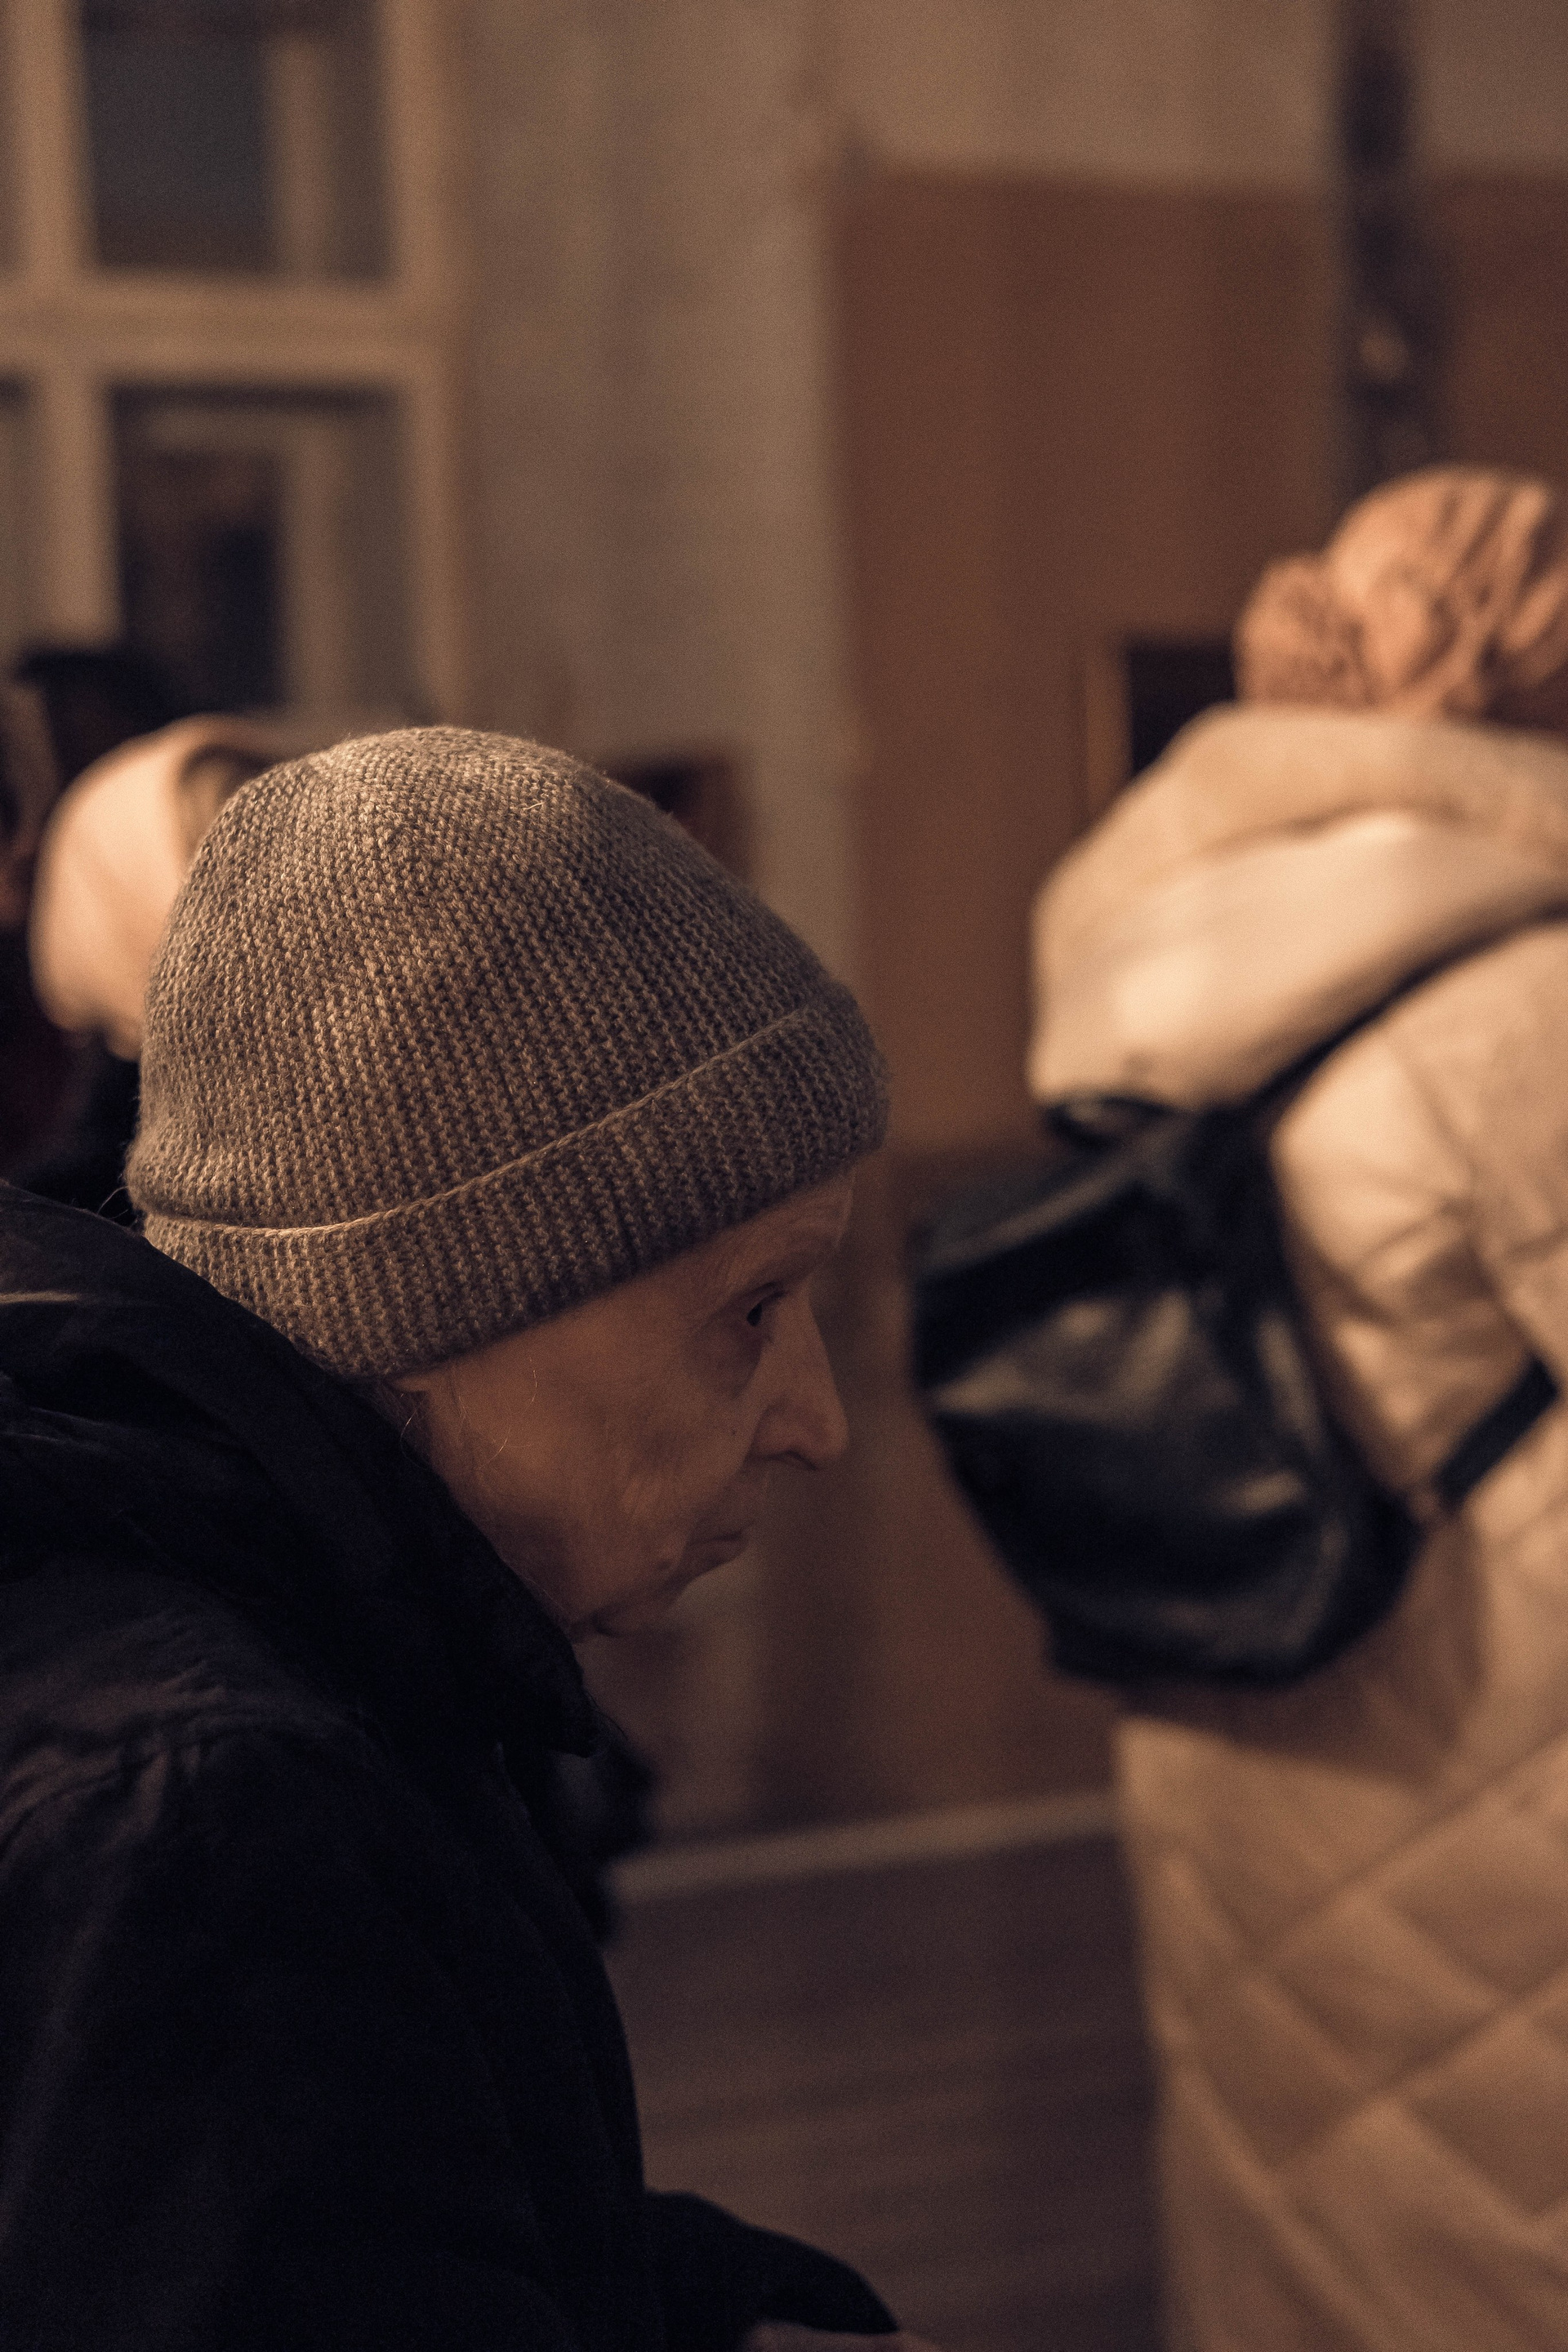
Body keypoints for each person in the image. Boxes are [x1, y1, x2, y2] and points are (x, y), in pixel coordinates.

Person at [0, 727, 936, 2351]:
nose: (816, 1423)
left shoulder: (287, 1626)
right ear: (438, 1303)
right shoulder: (210, 1827)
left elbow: (378, 2215)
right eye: (753, 1309)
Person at [1028, 467, 1568, 2351]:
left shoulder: (1145, 948)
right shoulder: (1530, 996)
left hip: (1241, 1699)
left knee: (1299, 2202)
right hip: (1501, 1769)